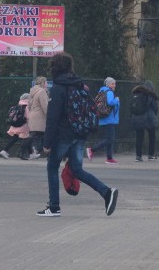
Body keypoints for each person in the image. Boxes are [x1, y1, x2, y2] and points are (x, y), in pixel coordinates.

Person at [37, 52, 118, 217]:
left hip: (63, 135)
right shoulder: (78, 85)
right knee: (77, 169)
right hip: (79, 133)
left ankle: (54, 207)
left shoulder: (58, 88)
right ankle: (107, 192)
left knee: (52, 166)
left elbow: (52, 118)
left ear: (55, 67)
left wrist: (47, 143)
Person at [87, 77, 120, 164]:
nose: (114, 85)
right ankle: (92, 150)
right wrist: (116, 100)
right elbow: (110, 102)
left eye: (114, 84)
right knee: (110, 139)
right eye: (112, 84)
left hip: (105, 119)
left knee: (109, 139)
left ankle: (109, 158)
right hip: (109, 119)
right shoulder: (109, 92)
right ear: (108, 84)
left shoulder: (102, 92)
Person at [19, 76, 49, 160]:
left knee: (35, 135)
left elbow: (29, 105)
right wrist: (49, 115)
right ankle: (22, 151)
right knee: (37, 135)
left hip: (33, 115)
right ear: (42, 83)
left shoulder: (32, 91)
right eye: (46, 82)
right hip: (40, 117)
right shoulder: (42, 91)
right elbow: (45, 106)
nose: (47, 84)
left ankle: (28, 152)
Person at [130, 80, 159, 161]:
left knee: (139, 138)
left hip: (137, 119)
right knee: (152, 137)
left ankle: (138, 156)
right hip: (148, 118)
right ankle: (151, 155)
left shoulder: (136, 94)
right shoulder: (151, 96)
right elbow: (154, 108)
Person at [0, 93, 32, 160]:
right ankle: (27, 153)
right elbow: (28, 116)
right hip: (23, 125)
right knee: (26, 138)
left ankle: (5, 150)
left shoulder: (19, 105)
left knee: (16, 138)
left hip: (15, 125)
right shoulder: (26, 106)